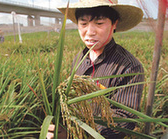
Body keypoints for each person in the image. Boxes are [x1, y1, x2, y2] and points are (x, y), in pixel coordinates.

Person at [47, 0, 144, 138]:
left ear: (114, 23)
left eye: (99, 23)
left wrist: (75, 135)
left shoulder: (129, 67)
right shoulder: (78, 59)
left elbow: (124, 119)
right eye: (83, 23)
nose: (90, 32)